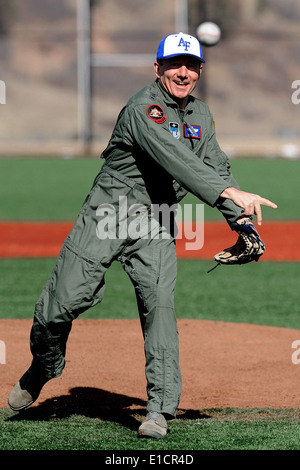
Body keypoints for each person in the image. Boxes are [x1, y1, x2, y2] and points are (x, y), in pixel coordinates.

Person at [8, 32, 277, 439]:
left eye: (191, 65)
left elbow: (215, 166)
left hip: (157, 221)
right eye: (174, 64)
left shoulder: (202, 115)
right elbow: (177, 160)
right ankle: (44, 365)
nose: (182, 72)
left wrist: (240, 220)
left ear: (200, 71)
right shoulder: (143, 108)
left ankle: (159, 410)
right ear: (158, 68)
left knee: (160, 310)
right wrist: (226, 193)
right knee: (59, 304)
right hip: (109, 211)